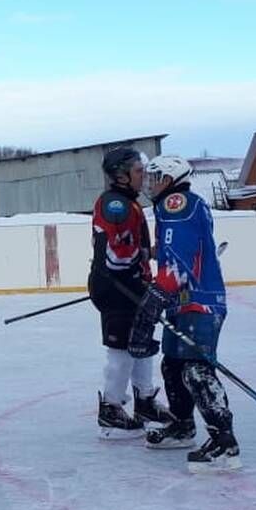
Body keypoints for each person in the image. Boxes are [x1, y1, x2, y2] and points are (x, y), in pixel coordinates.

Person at [139, 156, 239, 470]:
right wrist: (150, 255)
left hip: (199, 302)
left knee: (196, 370)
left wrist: (156, 294)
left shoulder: (176, 204)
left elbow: (180, 264)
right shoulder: (172, 206)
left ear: (171, 180)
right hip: (180, 302)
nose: (150, 184)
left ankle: (225, 443)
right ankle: (183, 426)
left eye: (156, 177)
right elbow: (181, 248)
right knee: (173, 366)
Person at [89, 148, 176, 438]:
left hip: (132, 285)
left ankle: (145, 400)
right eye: (139, 171)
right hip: (117, 288)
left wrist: (145, 258)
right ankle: (111, 408)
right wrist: (146, 253)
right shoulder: (116, 205)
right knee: (122, 350)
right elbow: (116, 255)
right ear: (121, 175)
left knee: (141, 344)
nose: (144, 177)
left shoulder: (128, 203)